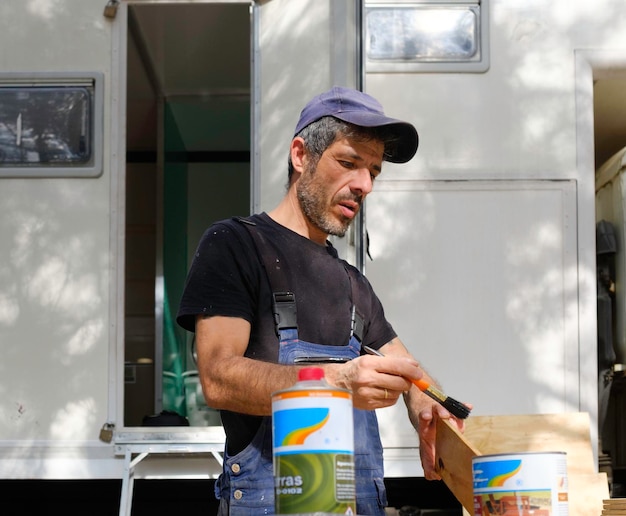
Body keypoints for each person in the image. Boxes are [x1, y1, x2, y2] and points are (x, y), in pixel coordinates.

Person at [177, 86, 466, 515]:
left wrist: (427, 403)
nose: (364, 184)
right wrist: (335, 383)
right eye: (349, 163)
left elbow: (410, 370)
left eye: (373, 172)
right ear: (301, 155)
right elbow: (218, 377)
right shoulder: (234, 244)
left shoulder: (353, 284)